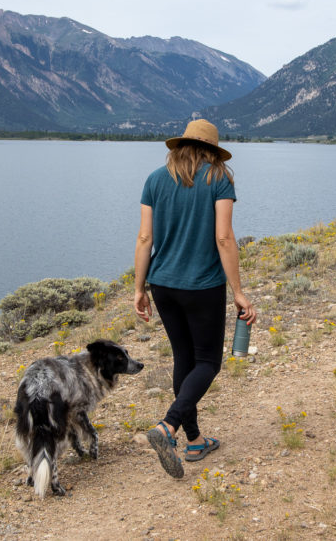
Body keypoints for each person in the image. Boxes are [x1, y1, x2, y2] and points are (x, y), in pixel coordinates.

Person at [133, 119, 257, 478]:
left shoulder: (155, 179)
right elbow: (224, 238)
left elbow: (144, 239)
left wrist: (139, 288)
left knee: (183, 360)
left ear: (181, 146)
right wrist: (238, 292)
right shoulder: (219, 178)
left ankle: (195, 439)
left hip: (164, 285)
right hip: (202, 285)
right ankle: (167, 427)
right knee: (207, 362)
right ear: (212, 151)